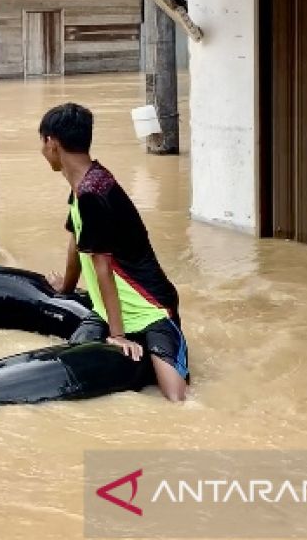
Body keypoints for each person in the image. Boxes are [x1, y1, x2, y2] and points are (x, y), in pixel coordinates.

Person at [39, 103, 189, 402]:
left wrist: (117, 336)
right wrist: (66, 288)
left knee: (175, 395)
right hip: (108, 310)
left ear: (51, 143)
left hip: (150, 307)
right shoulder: (83, 184)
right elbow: (76, 239)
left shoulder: (93, 193)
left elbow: (102, 267)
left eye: (41, 143)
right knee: (71, 360)